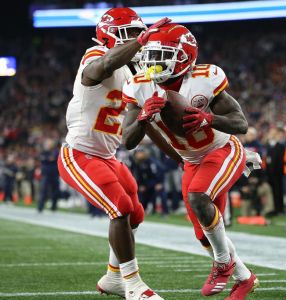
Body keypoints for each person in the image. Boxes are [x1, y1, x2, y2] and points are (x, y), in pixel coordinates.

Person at [122, 23, 259, 300]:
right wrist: (142, 117)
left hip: (222, 150)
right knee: (202, 234)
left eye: (161, 55)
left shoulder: (206, 78)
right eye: (150, 55)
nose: (152, 63)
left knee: (198, 198)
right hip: (191, 160)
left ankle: (223, 263)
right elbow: (127, 140)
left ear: (184, 56)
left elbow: (240, 124)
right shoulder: (139, 87)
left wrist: (210, 118)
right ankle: (245, 278)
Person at [57, 8, 173, 300]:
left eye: (140, 33)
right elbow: (105, 64)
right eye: (132, 33)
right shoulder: (94, 55)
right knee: (119, 208)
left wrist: (179, 156)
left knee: (135, 213)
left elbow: (139, 130)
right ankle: (133, 284)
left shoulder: (135, 74)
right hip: (79, 154)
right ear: (110, 35)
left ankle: (112, 277)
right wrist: (139, 41)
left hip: (108, 157)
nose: (138, 39)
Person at [37, 138, 60, 213]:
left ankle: (54, 207)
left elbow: (55, 159)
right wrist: (48, 159)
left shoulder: (56, 151)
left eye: (50, 143)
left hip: (54, 173)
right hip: (46, 174)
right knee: (43, 190)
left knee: (55, 190)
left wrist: (48, 159)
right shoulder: (44, 151)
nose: (49, 145)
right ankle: (40, 207)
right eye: (48, 143)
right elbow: (42, 159)